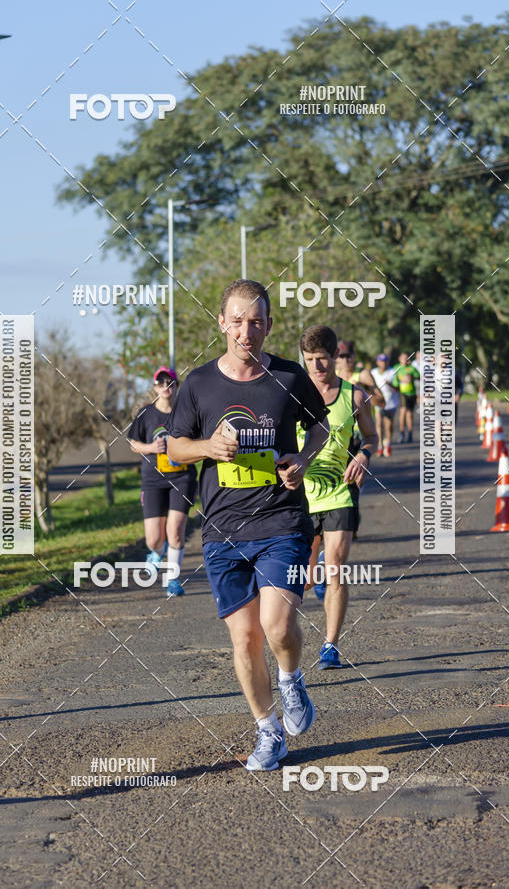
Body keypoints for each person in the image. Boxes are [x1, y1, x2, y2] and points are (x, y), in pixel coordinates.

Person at [167, 279, 329, 771]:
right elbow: (174, 448)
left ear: (269, 326)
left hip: (282, 520)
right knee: (244, 640)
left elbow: (320, 424)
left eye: (256, 321)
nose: (246, 331)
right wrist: (207, 448)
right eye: (237, 321)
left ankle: (291, 677)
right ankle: (268, 732)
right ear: (222, 323)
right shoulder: (197, 384)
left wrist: (302, 458)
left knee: (276, 627)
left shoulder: (287, 376)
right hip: (221, 528)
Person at [298, 325, 378, 670]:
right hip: (299, 496)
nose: (316, 367)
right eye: (310, 361)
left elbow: (372, 437)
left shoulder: (355, 396)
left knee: (336, 570)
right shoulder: (293, 395)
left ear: (334, 357)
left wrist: (363, 455)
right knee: (301, 577)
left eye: (322, 360)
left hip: (339, 493)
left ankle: (330, 645)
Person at [128, 366, 197, 597]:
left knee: (176, 531)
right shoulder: (145, 414)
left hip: (182, 477)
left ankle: (173, 580)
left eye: (170, 382)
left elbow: (198, 440)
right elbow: (133, 444)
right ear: (155, 387)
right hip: (153, 481)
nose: (165, 386)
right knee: (154, 538)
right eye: (161, 383)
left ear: (176, 387)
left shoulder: (186, 412)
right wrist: (151, 448)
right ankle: (156, 553)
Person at [371, 353, 399, 457]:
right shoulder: (373, 372)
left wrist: (389, 384)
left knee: (388, 426)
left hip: (390, 403)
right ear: (378, 362)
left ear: (388, 362)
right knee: (378, 424)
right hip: (378, 403)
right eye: (381, 361)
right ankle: (380, 447)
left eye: (385, 361)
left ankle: (388, 444)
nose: (383, 363)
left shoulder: (392, 372)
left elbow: (398, 389)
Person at [392, 352, 420, 443]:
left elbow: (418, 376)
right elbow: (394, 381)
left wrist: (411, 375)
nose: (405, 360)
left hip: (411, 393)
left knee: (409, 414)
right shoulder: (397, 368)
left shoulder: (411, 368)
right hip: (402, 393)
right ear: (399, 359)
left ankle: (410, 434)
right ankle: (401, 433)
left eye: (406, 358)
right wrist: (400, 382)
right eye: (403, 358)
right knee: (403, 411)